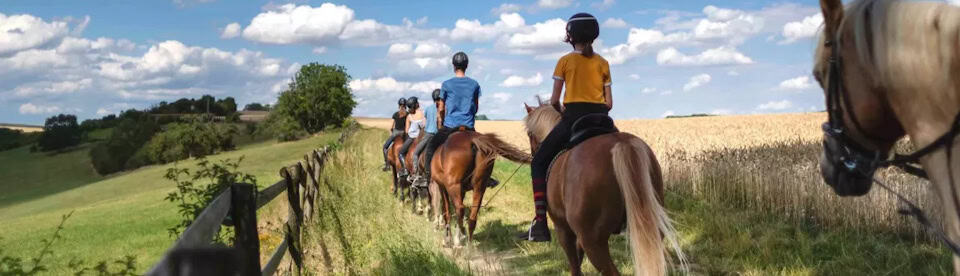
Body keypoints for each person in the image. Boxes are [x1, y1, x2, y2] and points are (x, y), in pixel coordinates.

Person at [519, 13, 612, 242]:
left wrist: (561, 111)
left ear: (570, 37)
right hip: (603, 121)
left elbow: (553, 101)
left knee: (539, 162)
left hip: (574, 120)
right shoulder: (603, 63)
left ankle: (540, 225)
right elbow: (609, 104)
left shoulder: (565, 61)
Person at [419, 52, 480, 187]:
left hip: (450, 127)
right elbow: (475, 108)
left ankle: (428, 178)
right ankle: (486, 178)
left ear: (453, 66)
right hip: (469, 128)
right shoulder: (474, 84)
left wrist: (442, 118)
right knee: (483, 151)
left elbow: (441, 109)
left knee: (430, 148)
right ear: (467, 66)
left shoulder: (446, 84)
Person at [409, 89, 443, 186]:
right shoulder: (444, 107)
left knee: (415, 153)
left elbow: (426, 120)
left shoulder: (428, 109)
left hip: (429, 134)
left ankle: (417, 175)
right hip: (442, 134)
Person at [398, 96, 423, 177]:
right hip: (421, 137)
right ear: (417, 104)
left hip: (412, 138)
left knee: (401, 153)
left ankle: (405, 169)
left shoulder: (409, 116)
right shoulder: (423, 113)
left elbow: (406, 130)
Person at [382, 98, 408, 171]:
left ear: (398, 105)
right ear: (405, 105)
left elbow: (391, 126)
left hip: (396, 133)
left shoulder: (395, 114)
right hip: (404, 133)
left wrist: (392, 133)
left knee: (385, 147)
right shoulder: (408, 114)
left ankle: (387, 165)